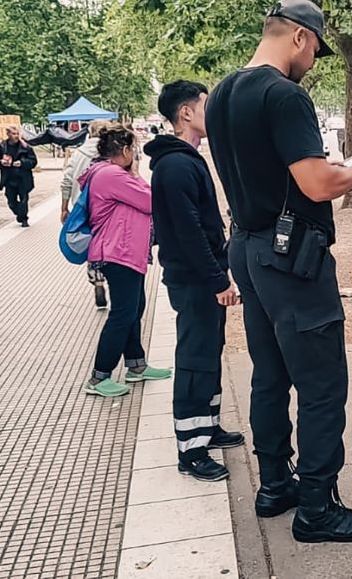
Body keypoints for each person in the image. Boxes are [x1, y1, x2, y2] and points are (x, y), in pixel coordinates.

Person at [205, 0, 352, 544]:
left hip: (249, 245)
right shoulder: (284, 95)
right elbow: (316, 185)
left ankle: (275, 484)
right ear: (301, 39)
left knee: (270, 373)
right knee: (322, 383)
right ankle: (318, 508)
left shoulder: (221, 94)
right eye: (315, 52)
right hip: (292, 257)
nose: (314, 62)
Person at [144, 80, 246, 482]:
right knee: (194, 359)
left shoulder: (186, 159)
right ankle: (191, 449)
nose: (212, 113)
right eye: (205, 106)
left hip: (202, 277)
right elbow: (188, 234)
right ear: (185, 113)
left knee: (208, 353)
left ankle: (208, 424)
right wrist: (217, 278)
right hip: (194, 281)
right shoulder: (176, 165)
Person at [81, 124, 172, 397]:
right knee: (122, 314)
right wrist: (133, 172)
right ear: (124, 149)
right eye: (133, 149)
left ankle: (136, 365)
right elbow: (150, 200)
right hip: (118, 253)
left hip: (125, 252)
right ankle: (99, 377)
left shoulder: (108, 172)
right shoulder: (111, 174)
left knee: (134, 308)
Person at [61, 120, 112, 309]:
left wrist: (64, 207)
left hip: (83, 207)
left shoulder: (78, 154)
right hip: (108, 208)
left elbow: (66, 181)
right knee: (109, 243)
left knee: (91, 243)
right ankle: (111, 275)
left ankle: (96, 277)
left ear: (89, 133)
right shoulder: (109, 152)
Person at [0, 126, 37, 227]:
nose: (16, 136)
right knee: (11, 201)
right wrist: (1, 162)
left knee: (23, 199)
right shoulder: (2, 146)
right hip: (9, 179)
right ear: (8, 134)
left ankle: (24, 219)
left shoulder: (25, 147)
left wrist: (22, 163)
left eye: (17, 134)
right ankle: (19, 214)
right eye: (14, 134)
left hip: (23, 178)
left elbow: (33, 161)